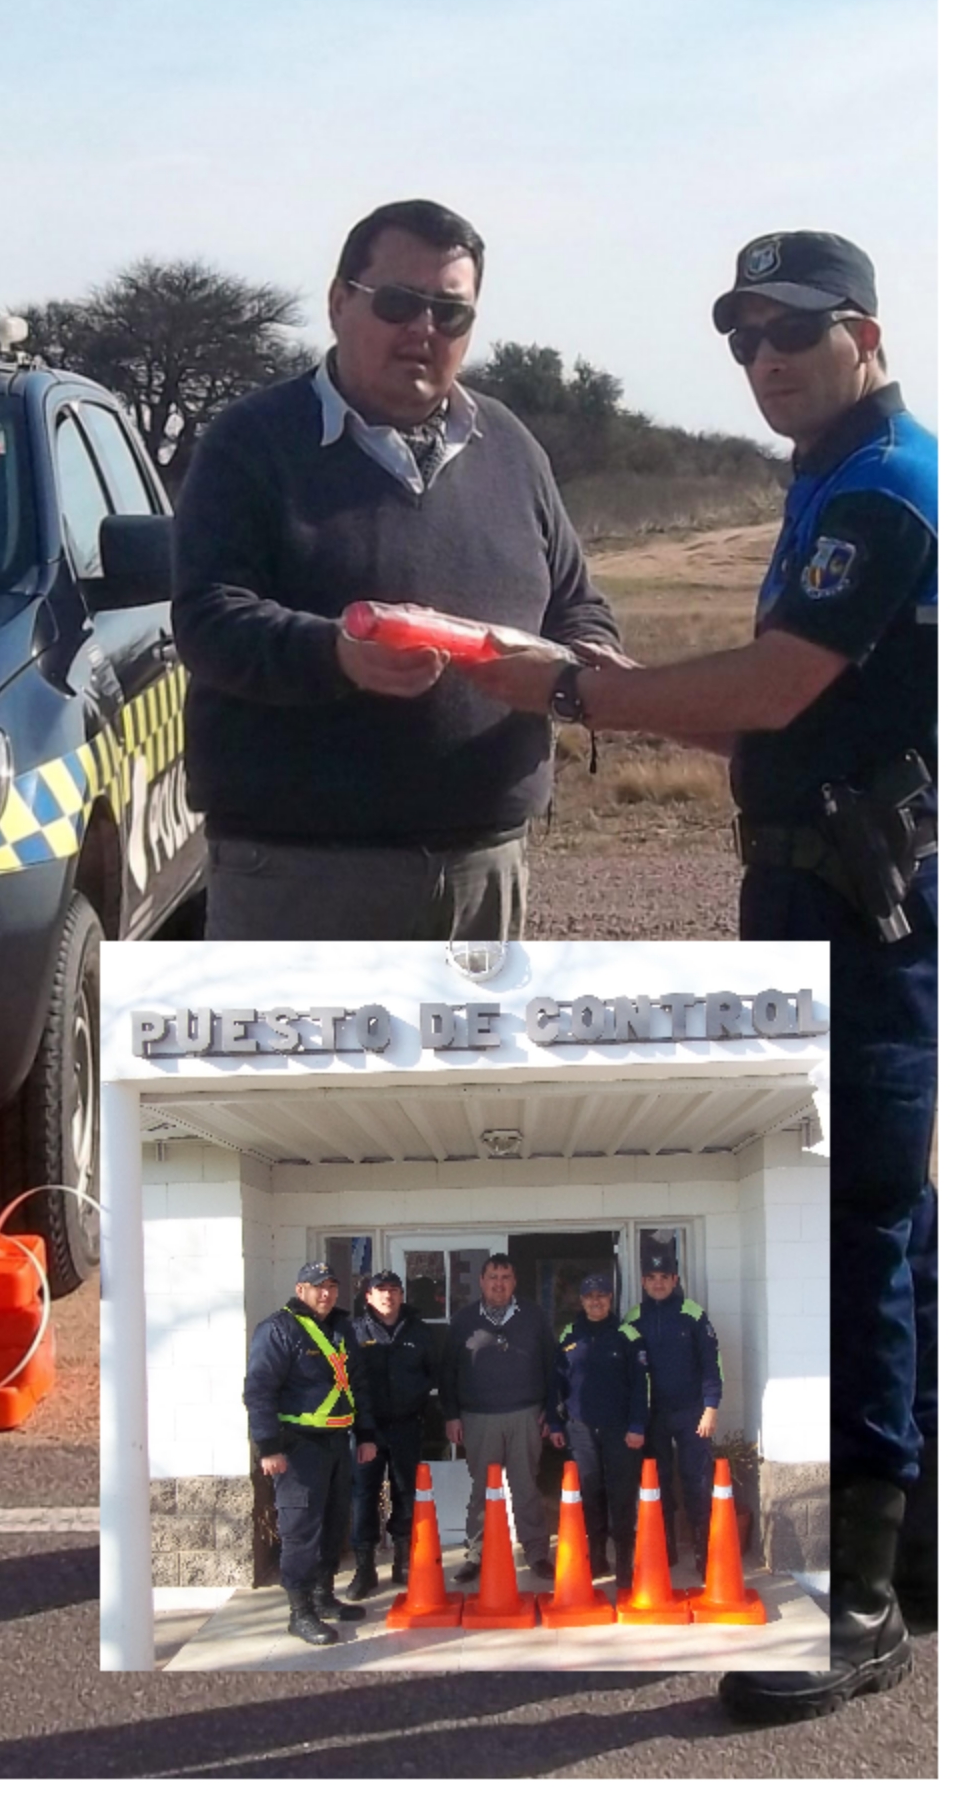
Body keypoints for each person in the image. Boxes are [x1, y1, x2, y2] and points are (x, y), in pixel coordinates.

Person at [464, 229, 934, 1723]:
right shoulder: (827, 480)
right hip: (807, 882)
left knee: (853, 1230)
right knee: (870, 1214)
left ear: (862, 332)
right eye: (741, 338)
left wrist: (576, 687)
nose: (763, 360)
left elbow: (776, 685)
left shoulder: (885, 488)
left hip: (860, 910)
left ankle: (858, 1607)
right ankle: (908, 1551)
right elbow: (776, 724)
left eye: (790, 332)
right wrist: (635, 706)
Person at [171, 198, 623, 939]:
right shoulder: (250, 443)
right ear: (339, 303)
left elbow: (578, 601)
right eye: (399, 303)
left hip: (487, 870)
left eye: (450, 314)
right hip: (300, 875)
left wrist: (579, 663)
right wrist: (337, 654)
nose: (423, 330)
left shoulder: (511, 446)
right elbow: (207, 617)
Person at [242, 1262, 368, 1645]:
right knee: (300, 1531)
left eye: (331, 1286)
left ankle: (323, 1596)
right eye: (318, 1287)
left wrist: (366, 1434)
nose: (326, 1294)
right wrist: (269, 1447)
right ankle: (300, 1612)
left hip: (337, 1443)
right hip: (298, 1448)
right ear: (301, 1290)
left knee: (333, 1525)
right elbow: (259, 1391)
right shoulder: (278, 1330)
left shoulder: (342, 1328)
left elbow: (357, 1385)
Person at [441, 1254, 553, 1584]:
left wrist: (551, 1409)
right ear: (482, 1281)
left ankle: (536, 1553)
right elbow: (447, 1372)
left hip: (525, 1415)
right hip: (478, 1417)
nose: (499, 1283)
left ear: (514, 1282)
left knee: (526, 1487)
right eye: (493, 1276)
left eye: (506, 1276)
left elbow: (551, 1365)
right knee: (481, 1491)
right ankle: (477, 1555)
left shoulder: (533, 1317)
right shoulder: (463, 1320)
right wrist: (451, 1415)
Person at [622, 1255, 720, 1580]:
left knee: (696, 1481)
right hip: (654, 1417)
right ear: (643, 1282)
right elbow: (626, 1371)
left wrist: (711, 1407)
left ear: (675, 1280)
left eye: (665, 1276)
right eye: (651, 1277)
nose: (658, 1283)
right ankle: (666, 1549)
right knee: (658, 1483)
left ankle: (704, 1551)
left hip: (693, 1414)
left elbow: (711, 1364)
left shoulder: (693, 1314)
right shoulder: (633, 1318)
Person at [545, 1272, 649, 1581]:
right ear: (582, 1301)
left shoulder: (628, 1335)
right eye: (590, 1297)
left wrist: (637, 1426)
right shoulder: (569, 1334)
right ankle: (598, 1556)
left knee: (621, 1495)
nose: (596, 1302)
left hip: (620, 1430)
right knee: (590, 1495)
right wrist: (554, 1422)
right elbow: (556, 1383)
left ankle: (623, 1562)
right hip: (580, 1430)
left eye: (602, 1296)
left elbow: (640, 1387)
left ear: (610, 1299)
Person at [343, 1268, 438, 1599]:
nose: (388, 1295)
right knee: (363, 1496)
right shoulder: (352, 1332)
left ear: (402, 1295)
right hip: (366, 1430)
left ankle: (403, 1561)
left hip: (406, 1426)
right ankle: (365, 1569)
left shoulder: (419, 1332)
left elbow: (433, 1374)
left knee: (405, 1493)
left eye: (394, 1289)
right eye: (380, 1290)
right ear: (368, 1296)